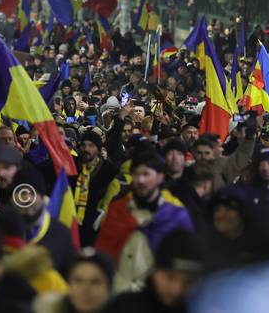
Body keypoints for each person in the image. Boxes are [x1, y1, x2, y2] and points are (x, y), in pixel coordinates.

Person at [95, 149, 194, 292]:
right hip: (118, 294)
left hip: (157, 296)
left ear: (160, 177)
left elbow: (185, 263)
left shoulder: (176, 216)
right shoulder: (118, 210)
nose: (140, 180)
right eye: (136, 174)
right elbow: (103, 253)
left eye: (146, 174)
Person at [103, 230, 204, 313]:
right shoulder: (123, 307)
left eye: (189, 281)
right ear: (154, 270)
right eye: (170, 277)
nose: (176, 290)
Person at [73, 129, 123, 247]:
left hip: (97, 228)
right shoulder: (72, 168)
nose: (86, 149)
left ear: (99, 149)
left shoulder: (110, 172)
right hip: (73, 225)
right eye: (84, 145)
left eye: (91, 146)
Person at [35, 249, 116, 313]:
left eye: (95, 282)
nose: (86, 289)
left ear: (109, 287)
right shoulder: (47, 308)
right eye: (78, 281)